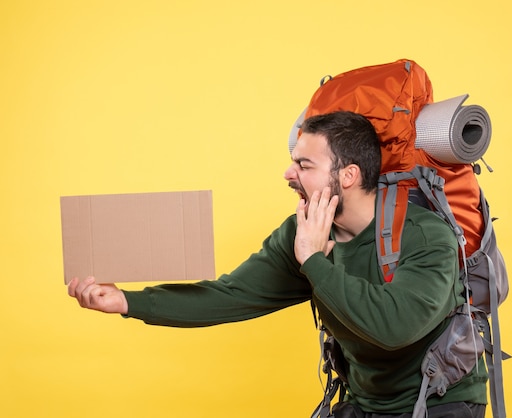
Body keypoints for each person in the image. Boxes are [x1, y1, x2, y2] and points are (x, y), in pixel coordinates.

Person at [68, 111, 487, 417]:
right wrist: (127, 302)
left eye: (304, 165)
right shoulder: (301, 231)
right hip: (365, 403)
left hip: (442, 403)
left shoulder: (424, 233)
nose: (289, 173)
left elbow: (393, 328)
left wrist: (314, 262)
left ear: (347, 176)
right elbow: (230, 295)